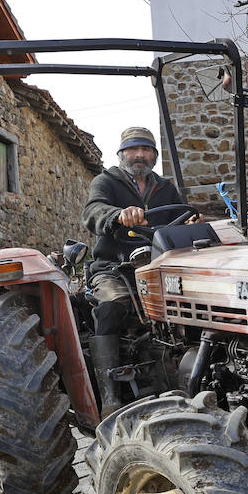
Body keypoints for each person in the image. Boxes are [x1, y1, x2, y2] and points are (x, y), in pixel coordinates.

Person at [82, 126, 186, 416]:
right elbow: (92, 211)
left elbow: (180, 216)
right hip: (114, 267)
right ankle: (110, 397)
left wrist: (192, 222)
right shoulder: (106, 181)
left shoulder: (165, 188)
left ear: (154, 154)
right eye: (133, 149)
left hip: (157, 264)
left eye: (146, 149)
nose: (139, 154)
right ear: (122, 153)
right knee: (113, 303)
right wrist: (117, 215)